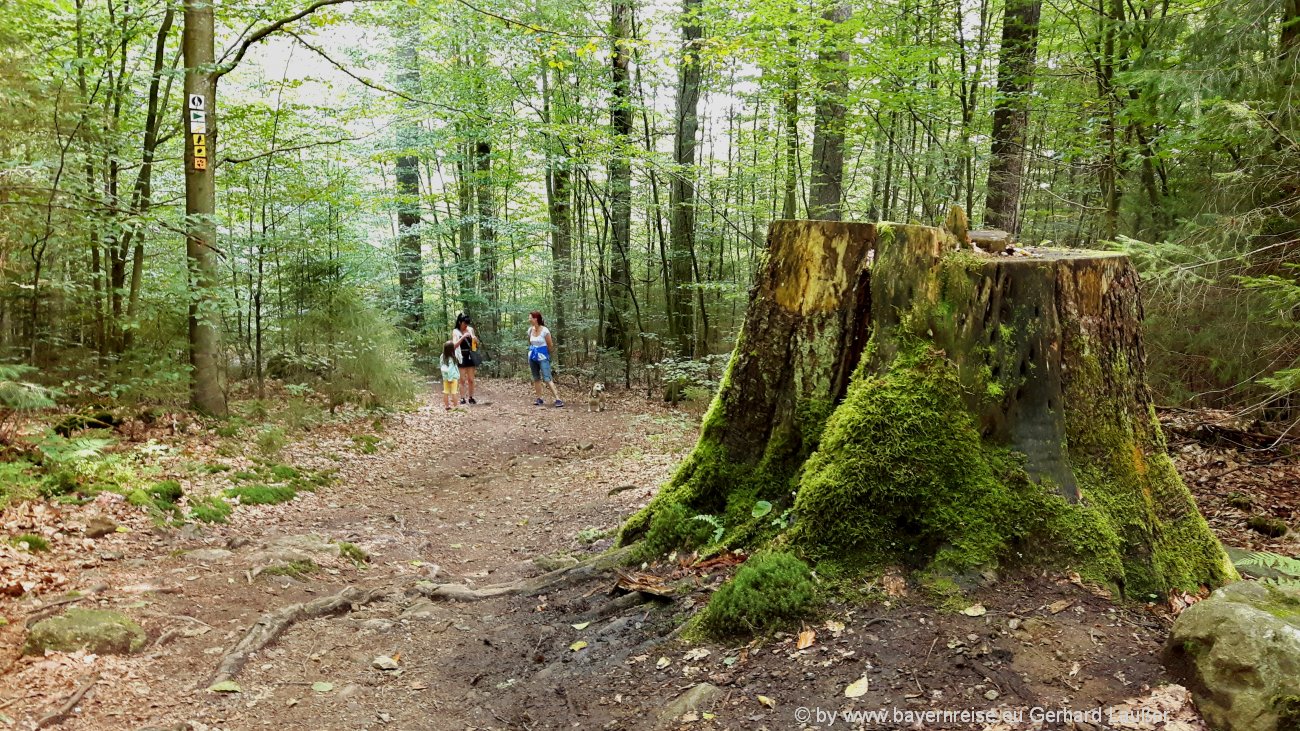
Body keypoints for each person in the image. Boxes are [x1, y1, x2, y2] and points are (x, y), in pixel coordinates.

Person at [527, 311, 562, 407]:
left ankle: (558, 399)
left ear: (536, 319)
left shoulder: (545, 331)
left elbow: (550, 345)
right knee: (536, 378)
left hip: (543, 357)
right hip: (532, 356)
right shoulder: (530, 330)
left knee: (547, 378)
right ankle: (539, 398)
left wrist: (546, 355)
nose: (529, 319)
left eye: (530, 318)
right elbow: (530, 343)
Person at [452, 313, 480, 404]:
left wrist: (475, 340)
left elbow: (476, 345)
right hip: (461, 356)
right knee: (462, 380)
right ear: (460, 322)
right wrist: (463, 337)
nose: (466, 326)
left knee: (471, 379)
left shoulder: (470, 329)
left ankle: (471, 397)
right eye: (464, 324)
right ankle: (462, 398)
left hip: (470, 355)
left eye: (467, 324)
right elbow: (454, 346)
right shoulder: (455, 332)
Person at [439, 340, 460, 411]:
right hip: (453, 378)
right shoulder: (452, 358)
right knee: (454, 392)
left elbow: (442, 367)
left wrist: (445, 377)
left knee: (446, 392)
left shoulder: (442, 357)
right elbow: (450, 369)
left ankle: (447, 406)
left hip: (445, 378)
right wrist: (450, 378)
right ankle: (456, 406)